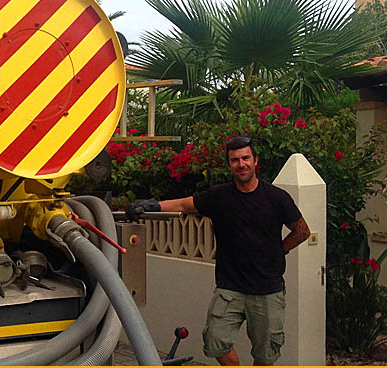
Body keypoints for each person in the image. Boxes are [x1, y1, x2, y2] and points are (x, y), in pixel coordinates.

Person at [127, 136, 310, 366]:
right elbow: (184, 204)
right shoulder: (218, 196)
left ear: (255, 161)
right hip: (229, 288)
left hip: (267, 290)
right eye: (235, 160)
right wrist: (150, 206)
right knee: (214, 341)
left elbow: (302, 232)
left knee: (265, 355)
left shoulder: (276, 198)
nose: (241, 164)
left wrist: (278, 250)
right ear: (229, 165)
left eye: (245, 158)